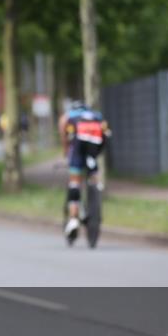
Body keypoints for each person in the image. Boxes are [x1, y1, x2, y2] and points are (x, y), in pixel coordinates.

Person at [58, 99, 111, 242]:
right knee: (93, 172)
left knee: (74, 181)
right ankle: (96, 186)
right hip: (94, 147)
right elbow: (106, 132)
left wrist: (65, 149)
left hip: (78, 148)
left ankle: (74, 219)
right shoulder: (96, 115)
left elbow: (63, 125)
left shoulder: (70, 115)